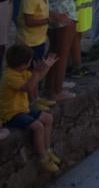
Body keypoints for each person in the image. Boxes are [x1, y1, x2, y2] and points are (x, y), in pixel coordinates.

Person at [1, 45, 61, 173]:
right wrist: (36, 72)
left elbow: (36, 79)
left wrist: (46, 67)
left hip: (23, 110)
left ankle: (48, 149)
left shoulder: (21, 72)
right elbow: (28, 87)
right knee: (38, 126)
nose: (31, 64)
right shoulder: (10, 76)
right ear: (23, 63)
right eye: (30, 61)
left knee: (48, 118)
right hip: (12, 114)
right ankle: (43, 158)